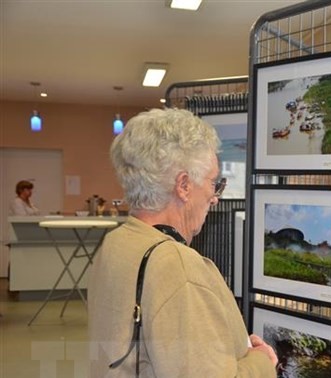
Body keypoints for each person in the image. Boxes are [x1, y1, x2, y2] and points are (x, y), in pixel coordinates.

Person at [88, 108, 277, 377]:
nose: (215, 197)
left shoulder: (115, 244)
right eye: (214, 183)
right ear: (184, 185)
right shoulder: (178, 267)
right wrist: (261, 361)